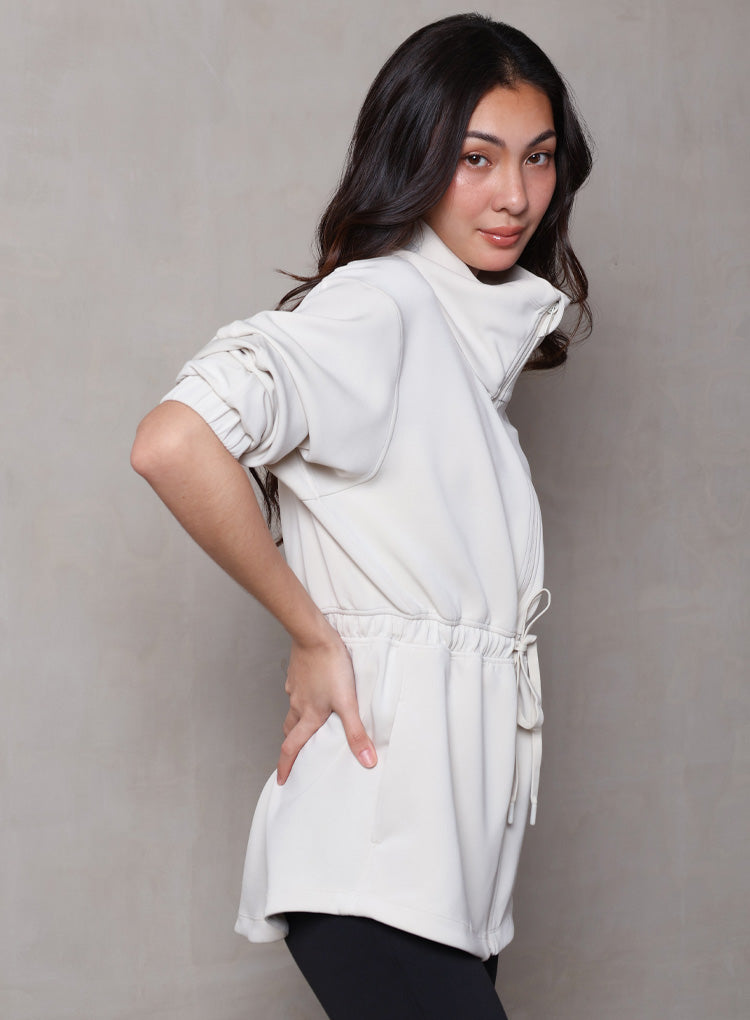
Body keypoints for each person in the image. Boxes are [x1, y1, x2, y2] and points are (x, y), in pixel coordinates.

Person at [131, 13, 593, 1019]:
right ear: (416, 156)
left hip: (442, 875)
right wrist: (311, 634)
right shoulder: (382, 307)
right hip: (375, 863)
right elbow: (174, 441)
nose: (516, 195)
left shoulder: (462, 345)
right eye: (476, 158)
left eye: (539, 157)